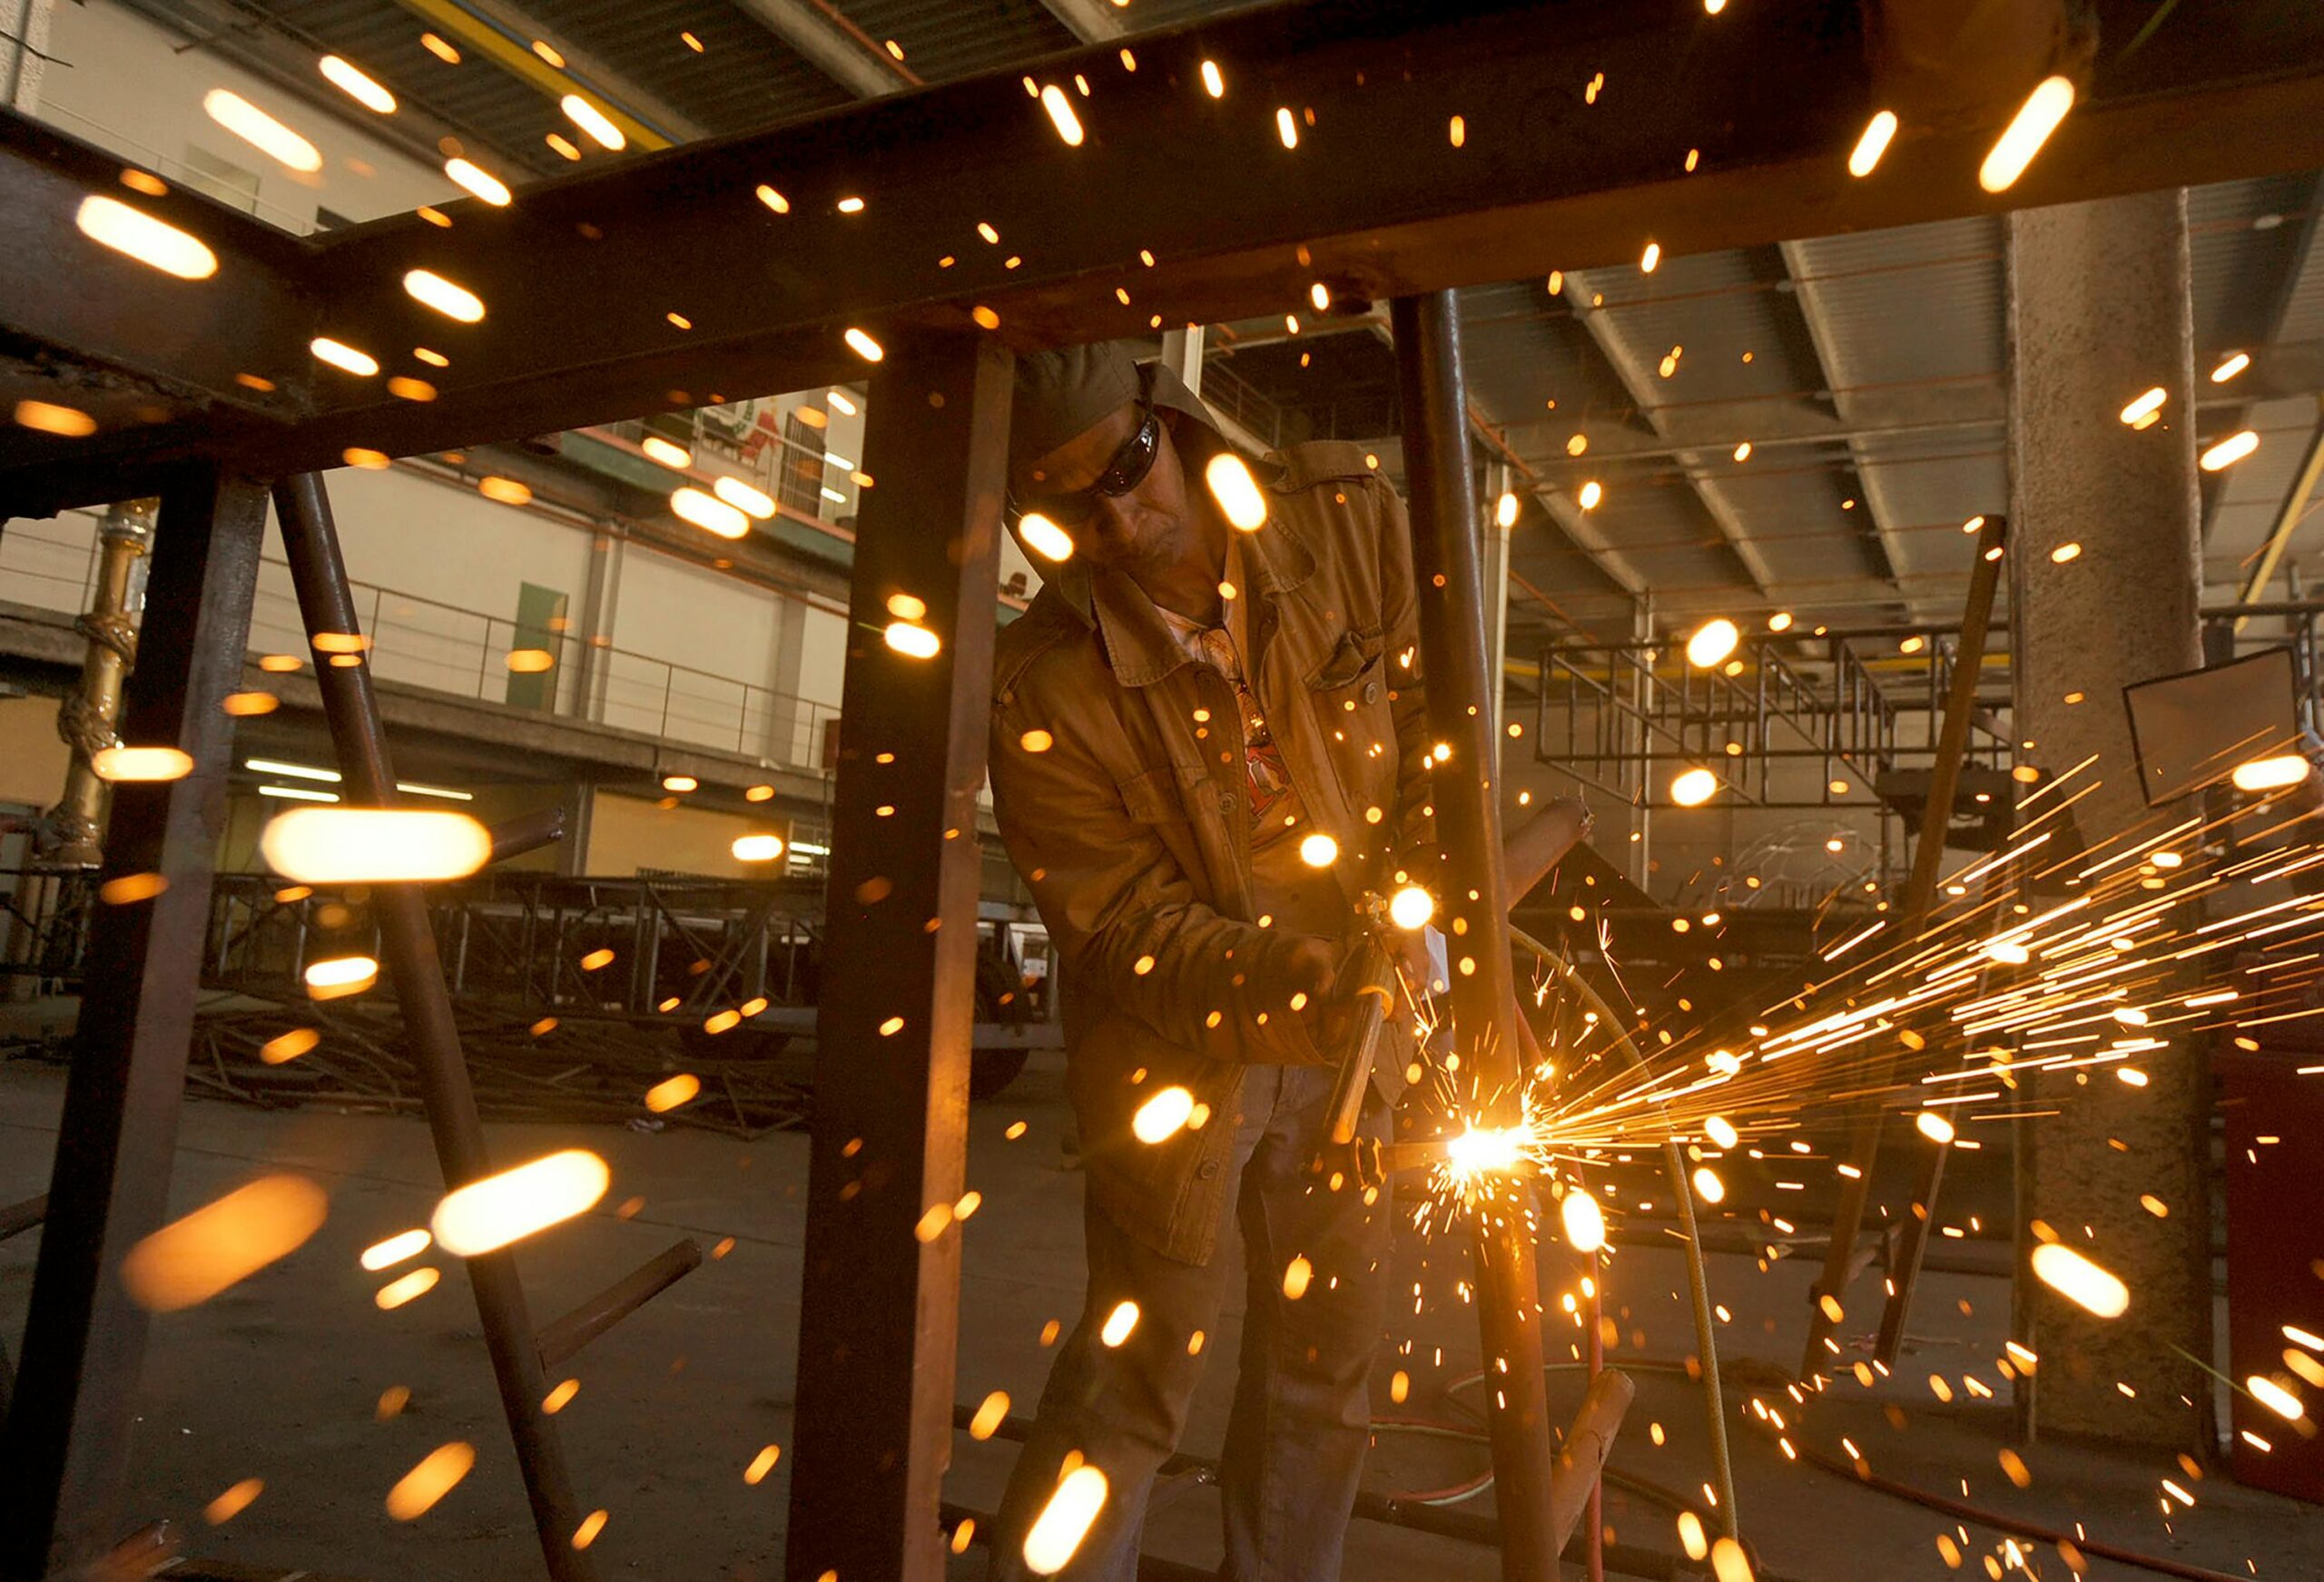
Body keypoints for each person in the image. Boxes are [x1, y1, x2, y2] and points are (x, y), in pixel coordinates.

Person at [983, 342, 1436, 1581]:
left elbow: (1445, 717)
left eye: (1131, 469)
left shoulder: (1345, 525)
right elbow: (1124, 927)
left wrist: (1431, 894)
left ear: (1171, 419)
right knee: (1137, 1372)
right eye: (1073, 501)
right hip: (1181, 1046)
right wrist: (1308, 986)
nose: (1121, 518)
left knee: (1328, 1367)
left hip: (1363, 1022)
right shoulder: (1042, 684)